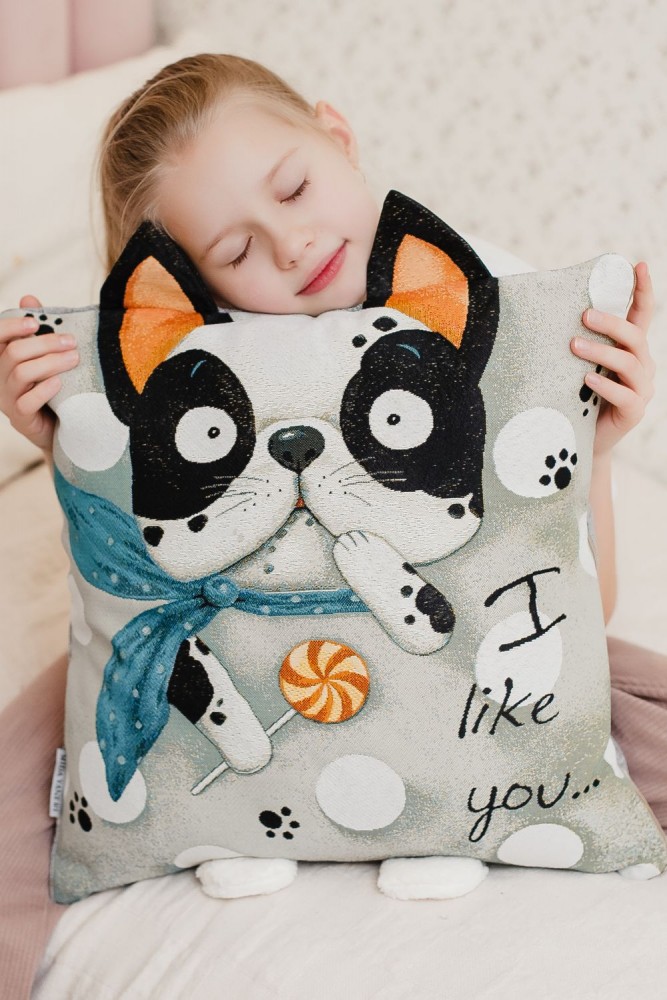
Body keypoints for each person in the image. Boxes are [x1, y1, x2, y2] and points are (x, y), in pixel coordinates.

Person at [1, 52, 666, 996]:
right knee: (43, 752)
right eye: (234, 252)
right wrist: (66, 440)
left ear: (338, 137)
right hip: (225, 622)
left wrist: (596, 448)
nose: (290, 244)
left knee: (617, 697)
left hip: (458, 615)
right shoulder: (193, 371)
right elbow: (137, 543)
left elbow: (580, 607)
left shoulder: (483, 297)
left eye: (295, 187)